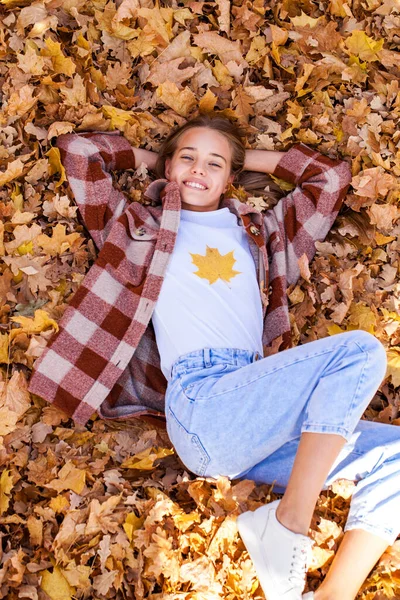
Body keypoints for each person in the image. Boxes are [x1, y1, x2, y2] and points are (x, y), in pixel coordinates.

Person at [28, 115, 399, 600]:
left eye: (214, 164)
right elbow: (79, 151)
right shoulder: (136, 226)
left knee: (395, 454)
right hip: (202, 403)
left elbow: (328, 178)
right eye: (187, 158)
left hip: (258, 412)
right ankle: (290, 521)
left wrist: (240, 162)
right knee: (360, 351)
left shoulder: (266, 235)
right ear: (168, 164)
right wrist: (157, 161)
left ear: (231, 178)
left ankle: (333, 593)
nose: (197, 170)